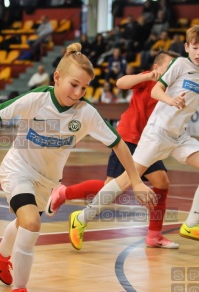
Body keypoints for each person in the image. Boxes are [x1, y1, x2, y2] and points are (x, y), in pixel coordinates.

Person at [0, 43, 156, 292]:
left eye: (84, 88)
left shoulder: (86, 114)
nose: (78, 93)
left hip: (47, 181)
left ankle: (0, 255)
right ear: (56, 77)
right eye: (74, 85)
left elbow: (118, 145)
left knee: (25, 223)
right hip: (17, 169)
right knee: (32, 223)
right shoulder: (35, 99)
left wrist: (136, 181)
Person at [67, 25, 199, 250]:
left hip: (179, 136)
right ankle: (81, 219)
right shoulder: (178, 64)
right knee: (126, 181)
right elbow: (155, 91)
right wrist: (171, 101)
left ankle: (192, 224)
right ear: (187, 47)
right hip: (157, 133)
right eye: (195, 47)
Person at [45, 50, 180, 249]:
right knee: (110, 188)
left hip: (149, 141)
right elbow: (121, 83)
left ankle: (154, 235)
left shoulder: (172, 88)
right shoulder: (148, 79)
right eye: (169, 66)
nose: (172, 71)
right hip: (129, 138)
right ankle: (64, 194)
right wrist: (148, 76)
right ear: (156, 68)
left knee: (161, 181)